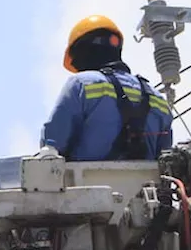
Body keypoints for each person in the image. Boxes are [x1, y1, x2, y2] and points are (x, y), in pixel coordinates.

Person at [40, 14, 173, 162]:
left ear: (83, 53)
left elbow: (52, 147)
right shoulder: (159, 101)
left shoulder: (80, 85)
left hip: (87, 183)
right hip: (147, 185)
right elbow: (166, 160)